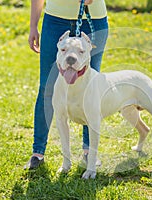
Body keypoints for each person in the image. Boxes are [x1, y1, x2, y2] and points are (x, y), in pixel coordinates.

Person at [25, 0, 108, 169]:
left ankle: (88, 153)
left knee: (91, 88)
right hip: (55, 20)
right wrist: (33, 25)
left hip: (94, 19)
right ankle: (38, 153)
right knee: (46, 88)